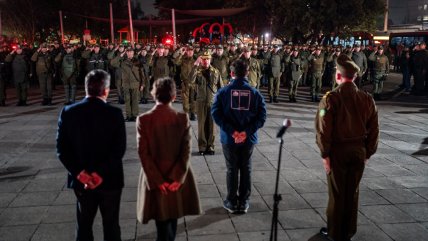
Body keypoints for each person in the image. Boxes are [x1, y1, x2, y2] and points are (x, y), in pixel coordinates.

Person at [56, 69, 126, 241]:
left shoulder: (69, 112)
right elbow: (119, 150)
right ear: (106, 90)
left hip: (81, 181)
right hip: (109, 179)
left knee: (84, 225)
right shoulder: (114, 114)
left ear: (86, 88)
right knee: (111, 224)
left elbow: (62, 149)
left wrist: (81, 173)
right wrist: (99, 173)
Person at [315, 54, 379, 241]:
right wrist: (368, 151)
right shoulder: (367, 99)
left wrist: (325, 153)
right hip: (359, 151)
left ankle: (335, 233)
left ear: (338, 76)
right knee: (352, 193)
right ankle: (348, 231)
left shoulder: (330, 99)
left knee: (337, 194)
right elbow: (374, 129)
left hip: (338, 152)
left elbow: (323, 129)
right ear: (355, 77)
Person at [136, 77, 201, 241]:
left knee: (162, 222)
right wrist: (177, 178)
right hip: (176, 176)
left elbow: (144, 154)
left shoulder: (144, 120)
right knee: (172, 217)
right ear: (174, 96)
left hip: (154, 175)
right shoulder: (182, 118)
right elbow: (186, 152)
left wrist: (158, 180)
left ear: (153, 95)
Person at [211, 59, 267, 214]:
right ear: (247, 73)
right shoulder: (255, 93)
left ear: (231, 73)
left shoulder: (223, 92)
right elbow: (262, 117)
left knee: (232, 169)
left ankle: (231, 200)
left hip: (229, 138)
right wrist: (245, 132)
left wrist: (233, 132)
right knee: (246, 168)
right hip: (248, 139)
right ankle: (244, 201)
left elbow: (216, 113)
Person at [190, 50, 224, 155]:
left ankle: (210, 146)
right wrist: (195, 65)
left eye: (208, 59)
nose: (206, 61)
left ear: (210, 59)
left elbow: (221, 88)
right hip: (201, 102)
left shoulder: (216, 72)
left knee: (212, 126)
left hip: (212, 102)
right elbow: (190, 81)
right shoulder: (197, 71)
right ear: (201, 60)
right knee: (201, 125)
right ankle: (202, 147)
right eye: (204, 59)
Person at [111, 47, 145, 122]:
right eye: (128, 52)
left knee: (135, 100)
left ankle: (135, 116)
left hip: (135, 84)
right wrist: (121, 55)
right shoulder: (122, 62)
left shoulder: (137, 62)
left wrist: (142, 84)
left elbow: (142, 74)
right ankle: (129, 116)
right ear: (126, 53)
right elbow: (112, 63)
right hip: (126, 84)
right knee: (127, 100)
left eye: (131, 52)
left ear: (133, 53)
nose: (129, 53)